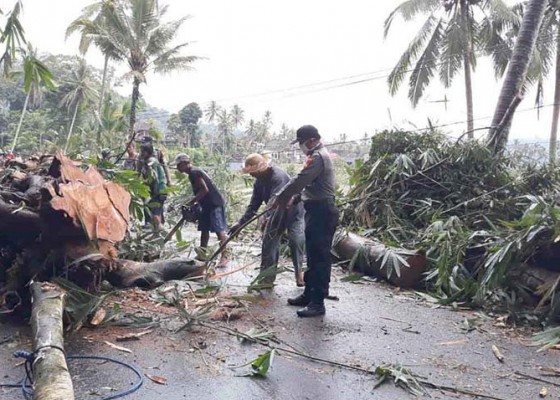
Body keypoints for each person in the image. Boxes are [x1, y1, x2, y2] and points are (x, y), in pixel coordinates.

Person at [273, 125, 339, 318]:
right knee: (313, 254)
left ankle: (317, 303)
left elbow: (301, 180)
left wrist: (281, 197)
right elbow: (311, 185)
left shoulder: (318, 158)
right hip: (317, 209)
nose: (300, 146)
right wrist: (296, 198)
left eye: (301, 142)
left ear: (310, 140)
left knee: (319, 258)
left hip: (322, 212)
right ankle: (310, 294)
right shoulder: (317, 156)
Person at [229, 153, 305, 287]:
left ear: (261, 169)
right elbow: (254, 205)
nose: (251, 175)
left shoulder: (278, 177)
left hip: (293, 213)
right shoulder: (259, 183)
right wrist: (240, 223)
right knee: (269, 244)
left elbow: (274, 201)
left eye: (253, 172)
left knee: (295, 241)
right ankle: (267, 279)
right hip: (275, 216)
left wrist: (266, 217)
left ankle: (299, 275)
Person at [175, 153, 229, 267]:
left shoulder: (194, 172)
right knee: (204, 229)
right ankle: (202, 254)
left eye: (179, 165)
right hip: (206, 205)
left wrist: (191, 202)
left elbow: (204, 190)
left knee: (219, 230)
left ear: (185, 163)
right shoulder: (192, 173)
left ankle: (225, 256)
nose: (177, 168)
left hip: (213, 203)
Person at [138, 142, 167, 230]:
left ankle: (159, 231)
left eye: (143, 151)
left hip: (158, 191)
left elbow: (154, 179)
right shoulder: (146, 162)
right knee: (153, 212)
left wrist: (152, 194)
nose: (141, 153)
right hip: (154, 191)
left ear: (148, 152)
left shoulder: (151, 162)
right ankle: (156, 230)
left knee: (155, 213)